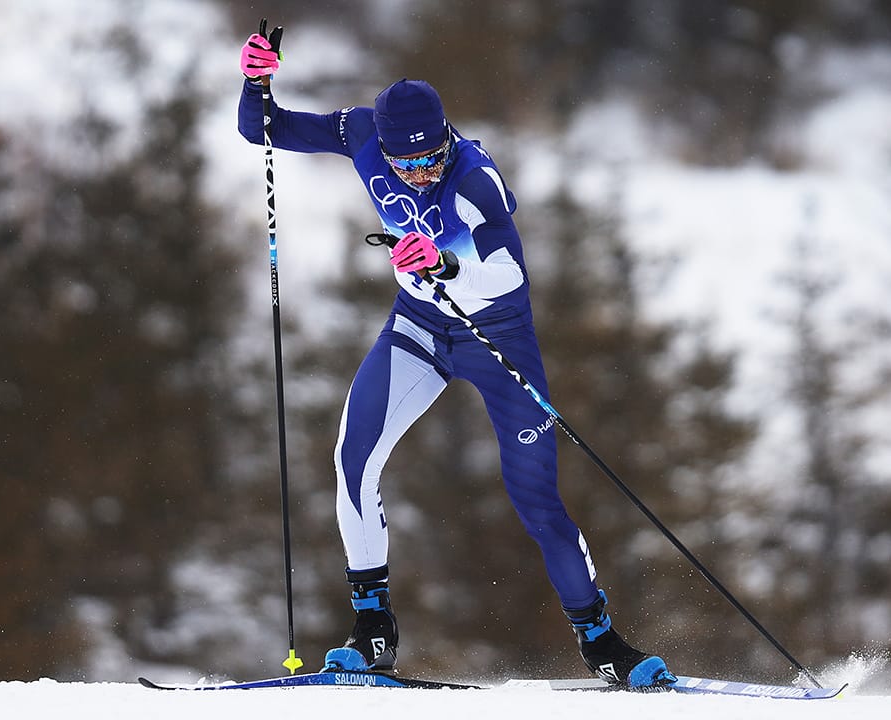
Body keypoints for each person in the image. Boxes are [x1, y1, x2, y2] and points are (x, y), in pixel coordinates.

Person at [236, 31, 674, 689]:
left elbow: (507, 272)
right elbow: (262, 131)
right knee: (352, 459)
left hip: (498, 338)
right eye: (404, 165)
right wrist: (255, 82)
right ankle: (373, 626)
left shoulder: (475, 178)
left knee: (537, 500)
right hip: (418, 327)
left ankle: (600, 638)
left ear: (447, 139)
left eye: (430, 160)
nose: (419, 174)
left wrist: (444, 261)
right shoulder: (359, 134)